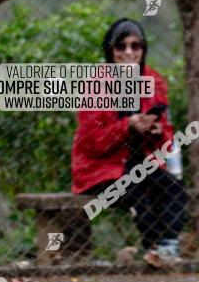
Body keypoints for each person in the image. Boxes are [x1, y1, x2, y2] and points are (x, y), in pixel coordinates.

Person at [72, 18, 189, 266]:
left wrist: (156, 131)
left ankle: (167, 249)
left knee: (174, 190)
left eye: (136, 46)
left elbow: (167, 134)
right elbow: (92, 142)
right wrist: (128, 126)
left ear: (143, 50)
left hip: (143, 163)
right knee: (138, 194)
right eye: (121, 46)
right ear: (110, 50)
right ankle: (154, 250)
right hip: (102, 169)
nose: (128, 53)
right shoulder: (96, 86)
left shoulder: (153, 81)